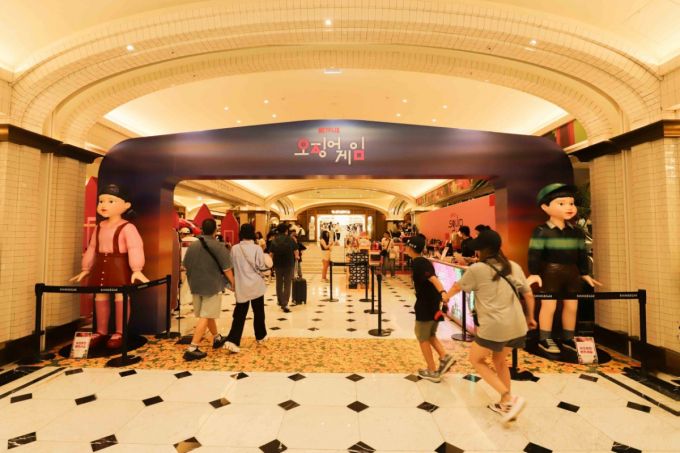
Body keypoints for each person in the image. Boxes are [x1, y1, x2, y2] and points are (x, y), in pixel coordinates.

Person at [444, 229, 537, 424]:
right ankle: (505, 404)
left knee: (476, 359)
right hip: (517, 324)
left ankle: (509, 397)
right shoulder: (513, 266)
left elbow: (457, 287)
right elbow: (528, 294)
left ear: (483, 250)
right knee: (499, 360)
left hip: (495, 326)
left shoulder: (477, 269)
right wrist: (531, 317)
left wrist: (445, 297)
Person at [71, 183, 149, 350]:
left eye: (110, 201)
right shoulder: (99, 227)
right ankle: (101, 331)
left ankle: (120, 332)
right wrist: (86, 268)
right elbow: (92, 247)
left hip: (119, 266)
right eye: (101, 201)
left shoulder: (128, 227)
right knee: (100, 296)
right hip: (100, 265)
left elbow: (135, 247)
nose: (104, 205)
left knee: (121, 296)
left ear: (126, 205)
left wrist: (137, 269)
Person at [528, 183, 602, 354]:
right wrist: (534, 272)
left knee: (572, 306)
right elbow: (534, 253)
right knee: (549, 306)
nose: (569, 207)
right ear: (545, 207)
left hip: (572, 273)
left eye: (571, 203)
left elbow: (582, 253)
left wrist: (584, 273)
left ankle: (568, 337)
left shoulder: (576, 232)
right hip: (551, 272)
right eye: (561, 203)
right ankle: (545, 338)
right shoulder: (541, 231)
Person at [403, 234, 456, 383]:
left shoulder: (419, 263)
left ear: (411, 248)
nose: (405, 248)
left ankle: (432, 370)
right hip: (432, 303)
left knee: (422, 336)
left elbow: (433, 279)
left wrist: (443, 292)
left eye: (407, 245)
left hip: (426, 304)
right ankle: (445, 357)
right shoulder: (423, 261)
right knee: (430, 334)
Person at [182, 218, 235, 360]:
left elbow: (185, 265)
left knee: (206, 313)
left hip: (195, 284)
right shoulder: (219, 246)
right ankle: (192, 347)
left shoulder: (193, 246)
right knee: (205, 315)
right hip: (212, 285)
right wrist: (233, 283)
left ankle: (216, 337)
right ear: (215, 230)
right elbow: (227, 269)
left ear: (201, 229)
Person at [223, 223, 269, 353]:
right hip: (256, 285)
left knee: (240, 314)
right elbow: (261, 266)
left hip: (242, 285)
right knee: (258, 312)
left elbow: (231, 266)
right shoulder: (257, 248)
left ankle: (233, 340)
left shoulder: (235, 248)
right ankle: (260, 336)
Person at [269, 223, 298, 312]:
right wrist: (297, 257)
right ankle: (284, 303)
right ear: (286, 230)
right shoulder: (290, 239)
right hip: (289, 264)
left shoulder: (274, 240)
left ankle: (280, 300)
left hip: (277, 264)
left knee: (279, 283)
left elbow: (271, 254)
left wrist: (269, 264)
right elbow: (296, 251)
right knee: (287, 284)